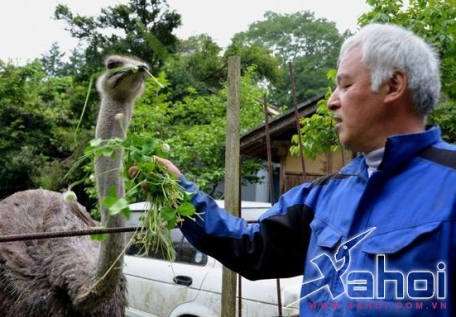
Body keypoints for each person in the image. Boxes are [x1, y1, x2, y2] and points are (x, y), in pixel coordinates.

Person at [155, 23, 455, 316]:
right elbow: (250, 245)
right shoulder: (324, 196)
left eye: (346, 85)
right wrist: (178, 193)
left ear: (393, 86)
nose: (332, 102)